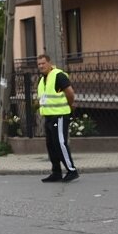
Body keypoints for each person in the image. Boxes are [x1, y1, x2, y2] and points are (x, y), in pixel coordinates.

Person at [36, 54, 78, 182]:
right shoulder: (42, 79)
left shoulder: (58, 75)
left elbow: (70, 93)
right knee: (51, 145)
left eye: (43, 63)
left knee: (60, 144)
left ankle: (72, 170)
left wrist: (70, 105)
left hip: (60, 115)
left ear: (49, 63)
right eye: (39, 64)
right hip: (49, 116)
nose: (41, 66)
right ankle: (56, 172)